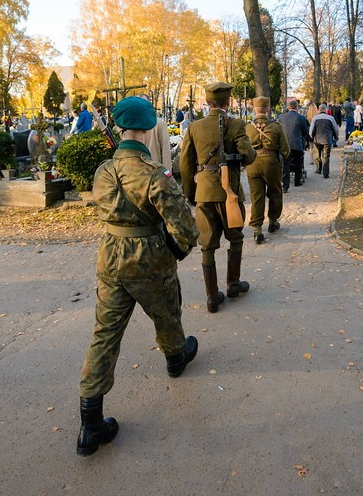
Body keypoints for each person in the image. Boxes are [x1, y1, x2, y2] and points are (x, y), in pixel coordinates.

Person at [76, 96, 200, 457]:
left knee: (104, 334)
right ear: (149, 129)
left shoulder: (103, 171)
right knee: (165, 312)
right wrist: (176, 251)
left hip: (111, 256)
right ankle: (176, 358)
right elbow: (186, 229)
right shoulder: (153, 173)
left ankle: (90, 423)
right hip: (149, 259)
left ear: (119, 127)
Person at [179, 82, 256, 313]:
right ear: (228, 102)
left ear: (207, 102)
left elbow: (185, 164)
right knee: (236, 238)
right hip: (229, 193)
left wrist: (190, 193)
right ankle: (233, 284)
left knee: (207, 246)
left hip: (204, 193)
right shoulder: (236, 124)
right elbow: (249, 156)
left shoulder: (194, 127)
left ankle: (212, 298)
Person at [245, 96, 290, 244]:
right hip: (271, 163)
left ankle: (257, 228)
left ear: (254, 109)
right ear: (268, 109)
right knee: (275, 192)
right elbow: (286, 150)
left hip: (252, 163)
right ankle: (273, 221)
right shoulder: (276, 126)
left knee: (256, 196)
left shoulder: (248, 128)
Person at [277, 99, 310, 192]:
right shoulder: (301, 118)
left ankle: (285, 185)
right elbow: (305, 131)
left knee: (285, 164)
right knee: (298, 163)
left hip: (284, 145)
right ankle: (297, 181)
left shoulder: (281, 117)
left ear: (288, 107)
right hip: (297, 144)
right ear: (297, 107)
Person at [309, 102, 340, 179]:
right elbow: (336, 129)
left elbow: (311, 130)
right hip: (327, 139)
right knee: (326, 156)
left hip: (317, 140)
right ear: (326, 110)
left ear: (319, 110)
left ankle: (319, 169)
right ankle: (325, 173)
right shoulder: (331, 118)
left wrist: (312, 137)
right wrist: (336, 137)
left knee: (317, 155)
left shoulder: (315, 118)